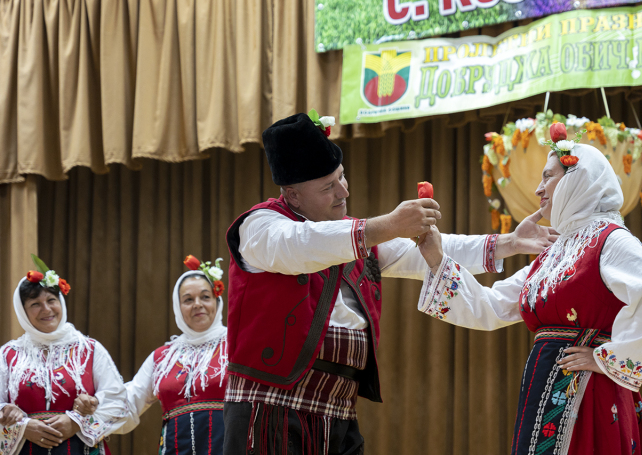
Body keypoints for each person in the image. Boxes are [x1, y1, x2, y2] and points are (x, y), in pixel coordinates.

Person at [222, 112, 556, 455]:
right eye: (327, 187)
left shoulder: (356, 237)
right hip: (271, 405)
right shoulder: (259, 228)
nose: (343, 191)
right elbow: (304, 244)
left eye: (342, 177)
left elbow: (427, 249)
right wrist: (391, 224)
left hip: (338, 408)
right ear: (292, 196)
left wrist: (510, 242)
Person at [416, 140, 642, 455]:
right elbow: (490, 307)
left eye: (548, 177)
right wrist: (436, 258)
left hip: (588, 390)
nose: (538, 189)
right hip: (543, 385)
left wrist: (608, 357)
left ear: (576, 180)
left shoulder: (610, 239)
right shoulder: (554, 254)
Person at [0, 257, 128, 454]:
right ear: (22, 312)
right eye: (35, 304)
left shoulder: (89, 349)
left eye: (51, 300)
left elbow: (117, 401)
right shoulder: (8, 354)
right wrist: (22, 426)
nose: (46, 309)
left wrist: (76, 423)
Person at [108, 255, 229, 454]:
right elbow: (130, 401)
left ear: (217, 300)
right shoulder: (164, 357)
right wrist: (92, 408)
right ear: (177, 307)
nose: (197, 304)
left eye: (205, 297)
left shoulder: (237, 346)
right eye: (188, 300)